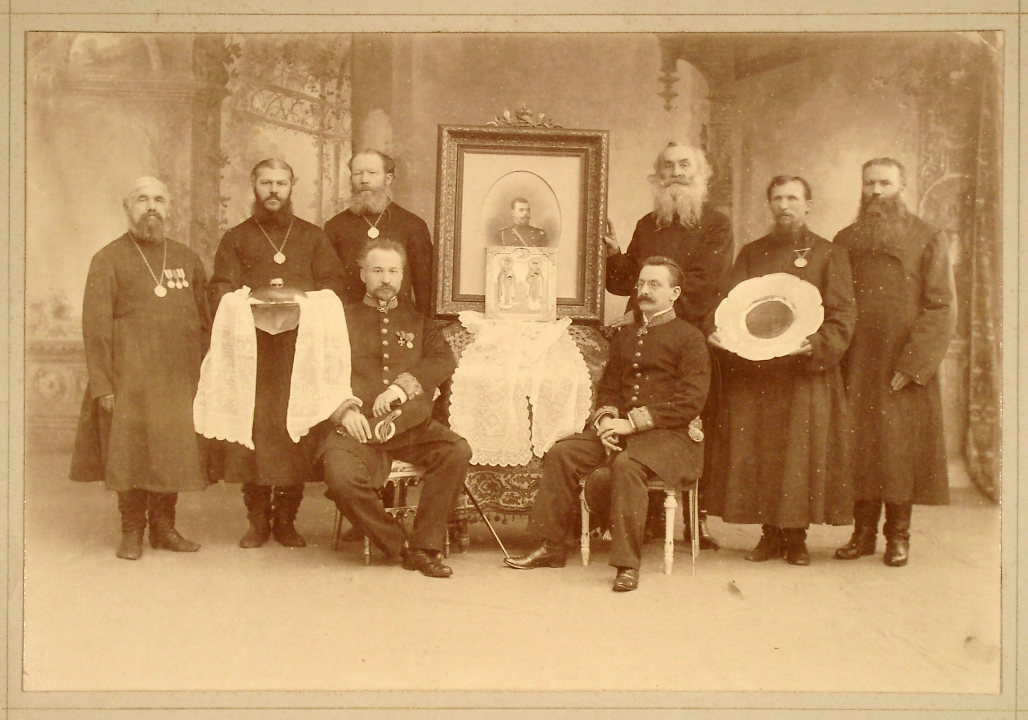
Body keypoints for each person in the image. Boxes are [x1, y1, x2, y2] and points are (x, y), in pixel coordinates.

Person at [504, 257, 710, 592]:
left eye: (654, 284)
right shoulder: (626, 336)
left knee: (627, 466)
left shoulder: (690, 338)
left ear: (674, 293)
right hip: (622, 431)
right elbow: (610, 388)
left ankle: (627, 565)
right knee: (562, 453)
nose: (644, 290)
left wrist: (632, 423)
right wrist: (607, 420)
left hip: (671, 437)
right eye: (641, 283)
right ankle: (551, 546)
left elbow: (691, 401)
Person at [706, 176, 857, 565]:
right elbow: (729, 303)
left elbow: (843, 314)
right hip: (757, 373)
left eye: (793, 198)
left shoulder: (829, 253)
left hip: (804, 374)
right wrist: (719, 331)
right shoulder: (753, 253)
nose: (784, 205)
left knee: (798, 456)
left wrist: (819, 344)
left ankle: (796, 538)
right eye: (777, 198)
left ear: (808, 204)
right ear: (769, 205)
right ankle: (769, 536)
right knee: (761, 452)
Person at [208, 158, 347, 549]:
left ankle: (286, 521)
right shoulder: (236, 237)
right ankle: (257, 522)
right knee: (253, 433)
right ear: (254, 185)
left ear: (291, 187)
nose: (273, 190)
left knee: (292, 434)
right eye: (266, 182)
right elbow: (219, 287)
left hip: (297, 352)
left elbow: (334, 286)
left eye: (281, 183)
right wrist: (246, 301)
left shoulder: (312, 236)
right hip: (253, 353)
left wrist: (304, 302)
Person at [70, 176, 210, 560]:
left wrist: (202, 377)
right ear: (127, 208)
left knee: (171, 453)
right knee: (130, 454)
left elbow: (205, 322)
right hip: (128, 377)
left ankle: (164, 529)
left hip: (177, 380)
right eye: (142, 199)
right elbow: (95, 328)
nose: (151, 207)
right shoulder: (107, 259)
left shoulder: (186, 259)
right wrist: (104, 385)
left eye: (159, 200)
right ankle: (132, 531)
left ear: (169, 208)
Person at [603, 141, 734, 549]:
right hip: (646, 336)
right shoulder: (648, 224)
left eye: (685, 165)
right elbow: (625, 283)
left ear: (701, 174)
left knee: (695, 427)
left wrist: (650, 314)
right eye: (668, 166)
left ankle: (697, 520)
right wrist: (615, 255)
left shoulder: (716, 224)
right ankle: (649, 517)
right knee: (640, 419)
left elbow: (706, 285)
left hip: (691, 338)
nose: (676, 172)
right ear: (658, 175)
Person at [317, 239, 472, 578]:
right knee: (340, 479)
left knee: (456, 450)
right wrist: (344, 410)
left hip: (410, 428)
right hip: (357, 429)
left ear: (402, 276)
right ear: (362, 274)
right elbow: (319, 371)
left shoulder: (419, 322)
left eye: (393, 271)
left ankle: (425, 546)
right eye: (377, 270)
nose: (385, 279)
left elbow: (442, 360)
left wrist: (401, 388)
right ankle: (400, 545)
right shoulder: (341, 320)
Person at [833, 158, 956, 567]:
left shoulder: (928, 236)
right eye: (869, 183)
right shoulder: (845, 239)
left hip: (902, 362)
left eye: (885, 183)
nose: (876, 191)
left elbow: (941, 305)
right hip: (857, 360)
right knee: (860, 445)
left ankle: (898, 537)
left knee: (899, 448)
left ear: (902, 186)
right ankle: (862, 534)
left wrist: (914, 363)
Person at [324, 150, 435, 314]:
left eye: (372, 173)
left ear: (388, 178)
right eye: (358, 173)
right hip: (351, 321)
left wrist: (423, 325)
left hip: (400, 320)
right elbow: (329, 283)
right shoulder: (335, 226)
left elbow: (424, 287)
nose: (364, 180)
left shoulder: (413, 225)